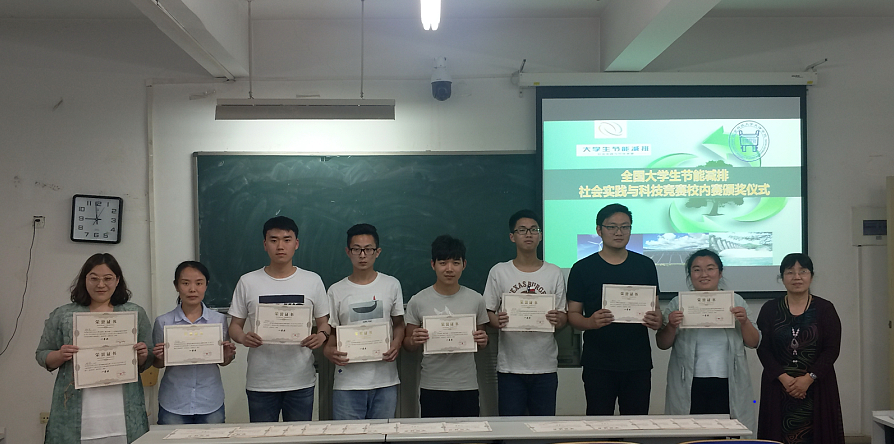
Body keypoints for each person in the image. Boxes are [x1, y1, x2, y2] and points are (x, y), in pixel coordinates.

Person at [35, 253, 154, 444]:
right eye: (94, 278)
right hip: (76, 412)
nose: (101, 285)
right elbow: (42, 355)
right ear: (85, 280)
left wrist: (142, 355)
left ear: (117, 281)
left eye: (107, 278)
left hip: (123, 412)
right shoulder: (64, 315)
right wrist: (60, 355)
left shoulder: (134, 313)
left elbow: (147, 358)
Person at [228, 216, 331, 422]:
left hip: (301, 380)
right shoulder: (248, 281)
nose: (280, 246)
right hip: (261, 382)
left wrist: (321, 336)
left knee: (299, 436)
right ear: (265, 244)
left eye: (286, 239)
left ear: (296, 244)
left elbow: (324, 323)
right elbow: (234, 327)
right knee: (263, 437)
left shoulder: (312, 280)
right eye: (273, 240)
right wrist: (243, 338)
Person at [566, 203, 662, 415]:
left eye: (625, 227)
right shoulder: (582, 268)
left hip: (637, 362)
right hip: (598, 362)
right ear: (599, 230)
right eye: (612, 227)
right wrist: (589, 322)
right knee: (599, 424)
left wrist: (657, 320)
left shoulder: (645, 265)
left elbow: (656, 310)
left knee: (636, 424)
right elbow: (572, 315)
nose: (619, 232)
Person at [656, 249, 759, 434]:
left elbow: (754, 342)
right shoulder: (678, 303)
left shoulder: (735, 301)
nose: (704, 274)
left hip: (728, 381)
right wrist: (671, 325)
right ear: (690, 275)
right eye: (697, 270)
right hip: (689, 382)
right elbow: (662, 344)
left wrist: (744, 322)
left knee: (724, 433)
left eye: (710, 268)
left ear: (720, 273)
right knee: (690, 433)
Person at [484, 209, 567, 416]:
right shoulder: (499, 271)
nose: (528, 234)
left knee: (544, 427)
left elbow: (563, 316)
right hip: (510, 367)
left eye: (533, 230)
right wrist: (496, 320)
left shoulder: (554, 272)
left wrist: (558, 319)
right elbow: (487, 313)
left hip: (545, 366)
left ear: (540, 235)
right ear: (512, 236)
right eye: (522, 230)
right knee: (510, 427)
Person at [756, 253, 844, 444]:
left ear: (811, 276)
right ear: (782, 278)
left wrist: (809, 378)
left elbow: (831, 349)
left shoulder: (825, 308)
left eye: (803, 271)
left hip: (817, 386)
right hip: (778, 387)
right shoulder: (770, 309)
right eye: (790, 272)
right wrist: (784, 378)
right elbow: (763, 348)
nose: (797, 277)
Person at [324, 223, 405, 419]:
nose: (362, 255)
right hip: (348, 383)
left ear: (377, 252)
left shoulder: (391, 285)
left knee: (382, 435)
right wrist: (328, 351)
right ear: (348, 252)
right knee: (349, 436)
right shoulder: (336, 290)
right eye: (356, 249)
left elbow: (399, 324)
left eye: (368, 249)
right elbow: (332, 333)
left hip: (385, 381)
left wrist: (396, 344)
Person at [403, 234, 489, 417]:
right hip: (432, 385)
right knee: (434, 433)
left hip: (467, 385)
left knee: (469, 433)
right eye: (443, 263)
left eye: (455, 263)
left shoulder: (476, 299)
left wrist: (483, 340)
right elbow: (408, 345)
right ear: (433, 264)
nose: (449, 269)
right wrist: (414, 340)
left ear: (464, 264)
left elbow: (482, 342)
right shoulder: (418, 301)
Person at [151, 261, 237, 424]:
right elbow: (157, 363)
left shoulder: (218, 320)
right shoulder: (163, 322)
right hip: (174, 400)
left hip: (210, 399)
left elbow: (224, 361)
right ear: (176, 286)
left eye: (199, 283)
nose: (192, 289)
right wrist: (159, 357)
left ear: (206, 285)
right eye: (185, 283)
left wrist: (227, 355)